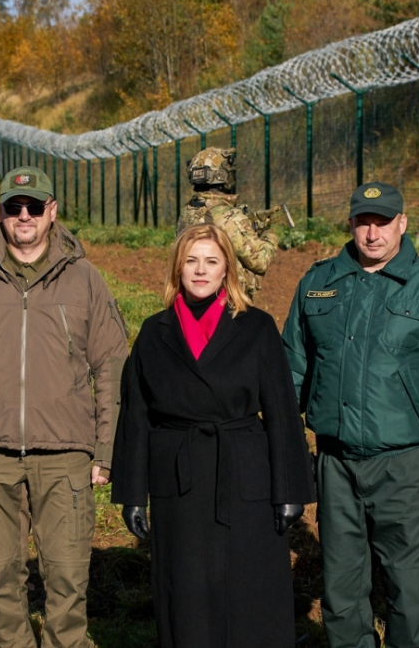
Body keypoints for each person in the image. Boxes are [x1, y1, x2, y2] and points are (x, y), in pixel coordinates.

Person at [0, 165, 129, 648]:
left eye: (34, 207)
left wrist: (106, 448)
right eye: (14, 207)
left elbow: (113, 365)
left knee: (67, 581)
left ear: (51, 212)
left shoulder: (84, 280)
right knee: (0, 582)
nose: (24, 216)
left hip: (65, 454)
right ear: (0, 213)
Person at [282, 181, 419, 648]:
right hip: (335, 462)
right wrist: (286, 446)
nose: (372, 234)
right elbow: (292, 367)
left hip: (404, 466)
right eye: (363, 222)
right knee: (341, 590)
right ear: (350, 223)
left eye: (383, 222)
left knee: (408, 593)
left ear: (403, 224)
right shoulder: (318, 281)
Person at [112, 223, 315, 647]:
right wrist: (133, 493)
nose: (200, 271)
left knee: (250, 591)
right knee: (185, 592)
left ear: (228, 270)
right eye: (191, 261)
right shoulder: (154, 332)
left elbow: (280, 411)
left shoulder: (257, 327)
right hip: (179, 483)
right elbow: (136, 416)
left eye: (211, 261)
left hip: (244, 478)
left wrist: (290, 489)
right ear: (177, 269)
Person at [177, 147, 280, 299]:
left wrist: (250, 222)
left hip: (195, 297)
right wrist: (270, 234)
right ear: (223, 175)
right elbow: (260, 261)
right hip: (227, 305)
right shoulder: (231, 217)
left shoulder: (188, 211)